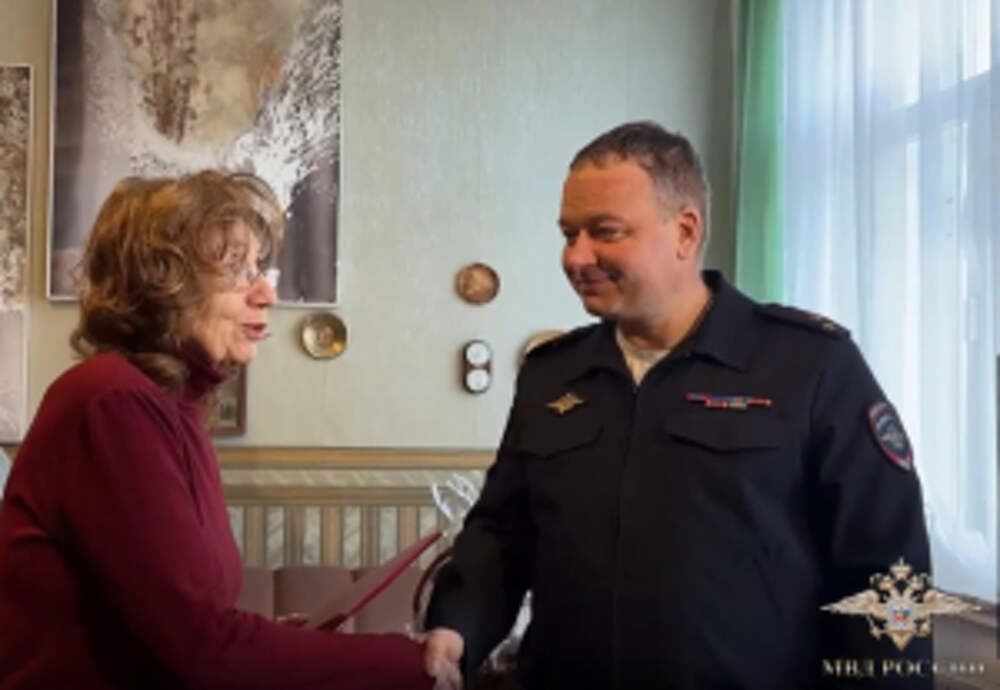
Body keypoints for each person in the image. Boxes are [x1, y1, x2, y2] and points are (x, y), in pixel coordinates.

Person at [424, 122, 933, 689]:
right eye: (569, 234)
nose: (576, 256)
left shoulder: (810, 365)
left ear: (685, 232)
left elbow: (887, 571)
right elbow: (502, 531)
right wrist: (458, 624)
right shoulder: (552, 374)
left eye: (605, 232)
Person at [0, 171, 433, 689]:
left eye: (260, 268)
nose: (266, 293)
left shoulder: (171, 405)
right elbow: (201, 650)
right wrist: (412, 663)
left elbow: (173, 626)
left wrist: (283, 641)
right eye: (234, 269)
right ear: (160, 283)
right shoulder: (112, 401)